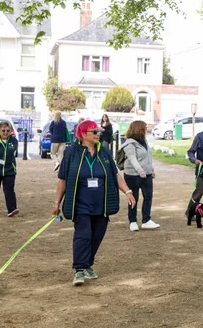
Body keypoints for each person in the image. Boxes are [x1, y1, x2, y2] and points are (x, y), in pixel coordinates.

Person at [51, 121, 136, 286]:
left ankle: (88, 264)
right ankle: (79, 269)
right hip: (80, 204)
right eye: (94, 131)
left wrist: (128, 191)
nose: (97, 134)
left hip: (101, 204)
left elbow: (116, 175)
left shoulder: (103, 152)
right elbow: (63, 180)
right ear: (83, 134)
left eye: (98, 131)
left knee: (96, 236)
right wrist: (56, 203)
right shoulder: (71, 153)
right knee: (83, 235)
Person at [119, 120, 160, 231]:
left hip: (146, 174)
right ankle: (132, 221)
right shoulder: (129, 143)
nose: (146, 130)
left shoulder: (144, 141)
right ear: (139, 129)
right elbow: (132, 159)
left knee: (148, 196)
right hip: (132, 174)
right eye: (145, 128)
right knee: (134, 197)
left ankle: (146, 220)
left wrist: (151, 169)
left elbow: (148, 157)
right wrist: (140, 171)